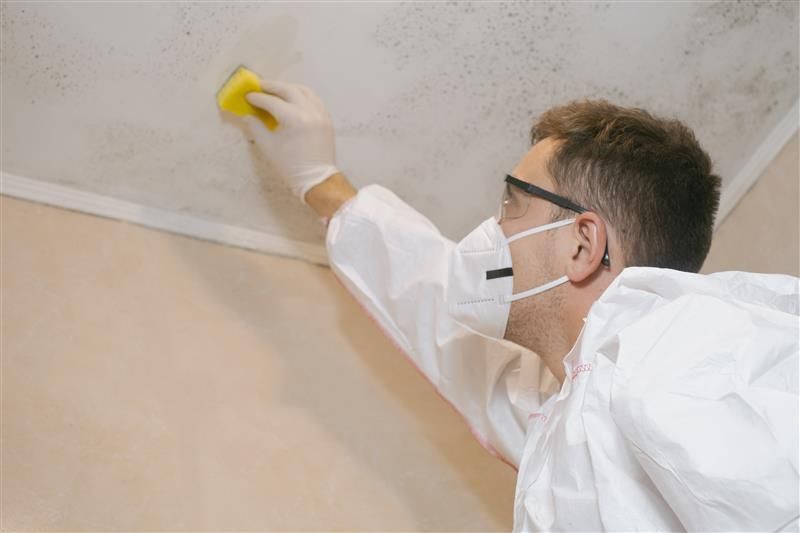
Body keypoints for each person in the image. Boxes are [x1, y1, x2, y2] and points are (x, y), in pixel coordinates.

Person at [240, 80, 799, 532]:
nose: (491, 229)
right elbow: (440, 312)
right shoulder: (569, 406)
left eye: (512, 203)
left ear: (582, 245)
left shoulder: (692, 351)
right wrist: (322, 183)